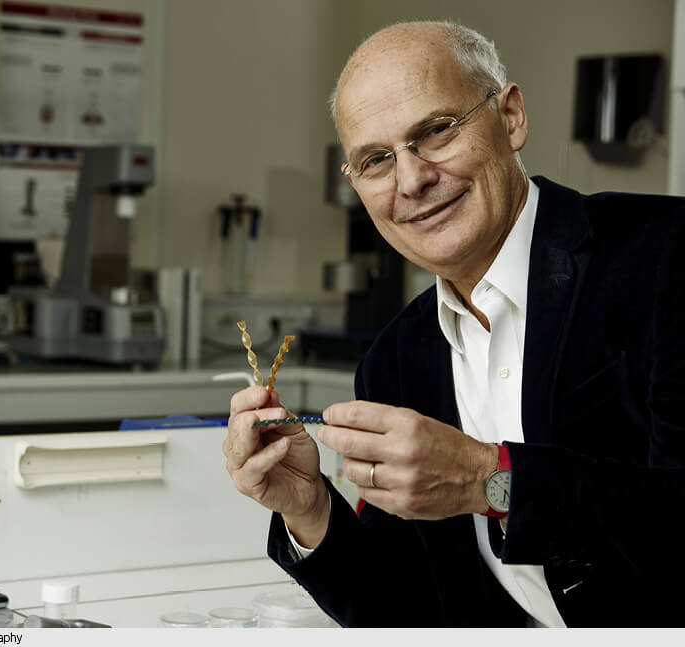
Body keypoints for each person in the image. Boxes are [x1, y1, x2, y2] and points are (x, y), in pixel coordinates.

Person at [223, 20, 685, 627]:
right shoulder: (396, 358)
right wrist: (309, 509)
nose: (412, 180)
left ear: (511, 117)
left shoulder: (667, 258)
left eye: (437, 131)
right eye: (376, 160)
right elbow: (409, 616)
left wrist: (488, 481)